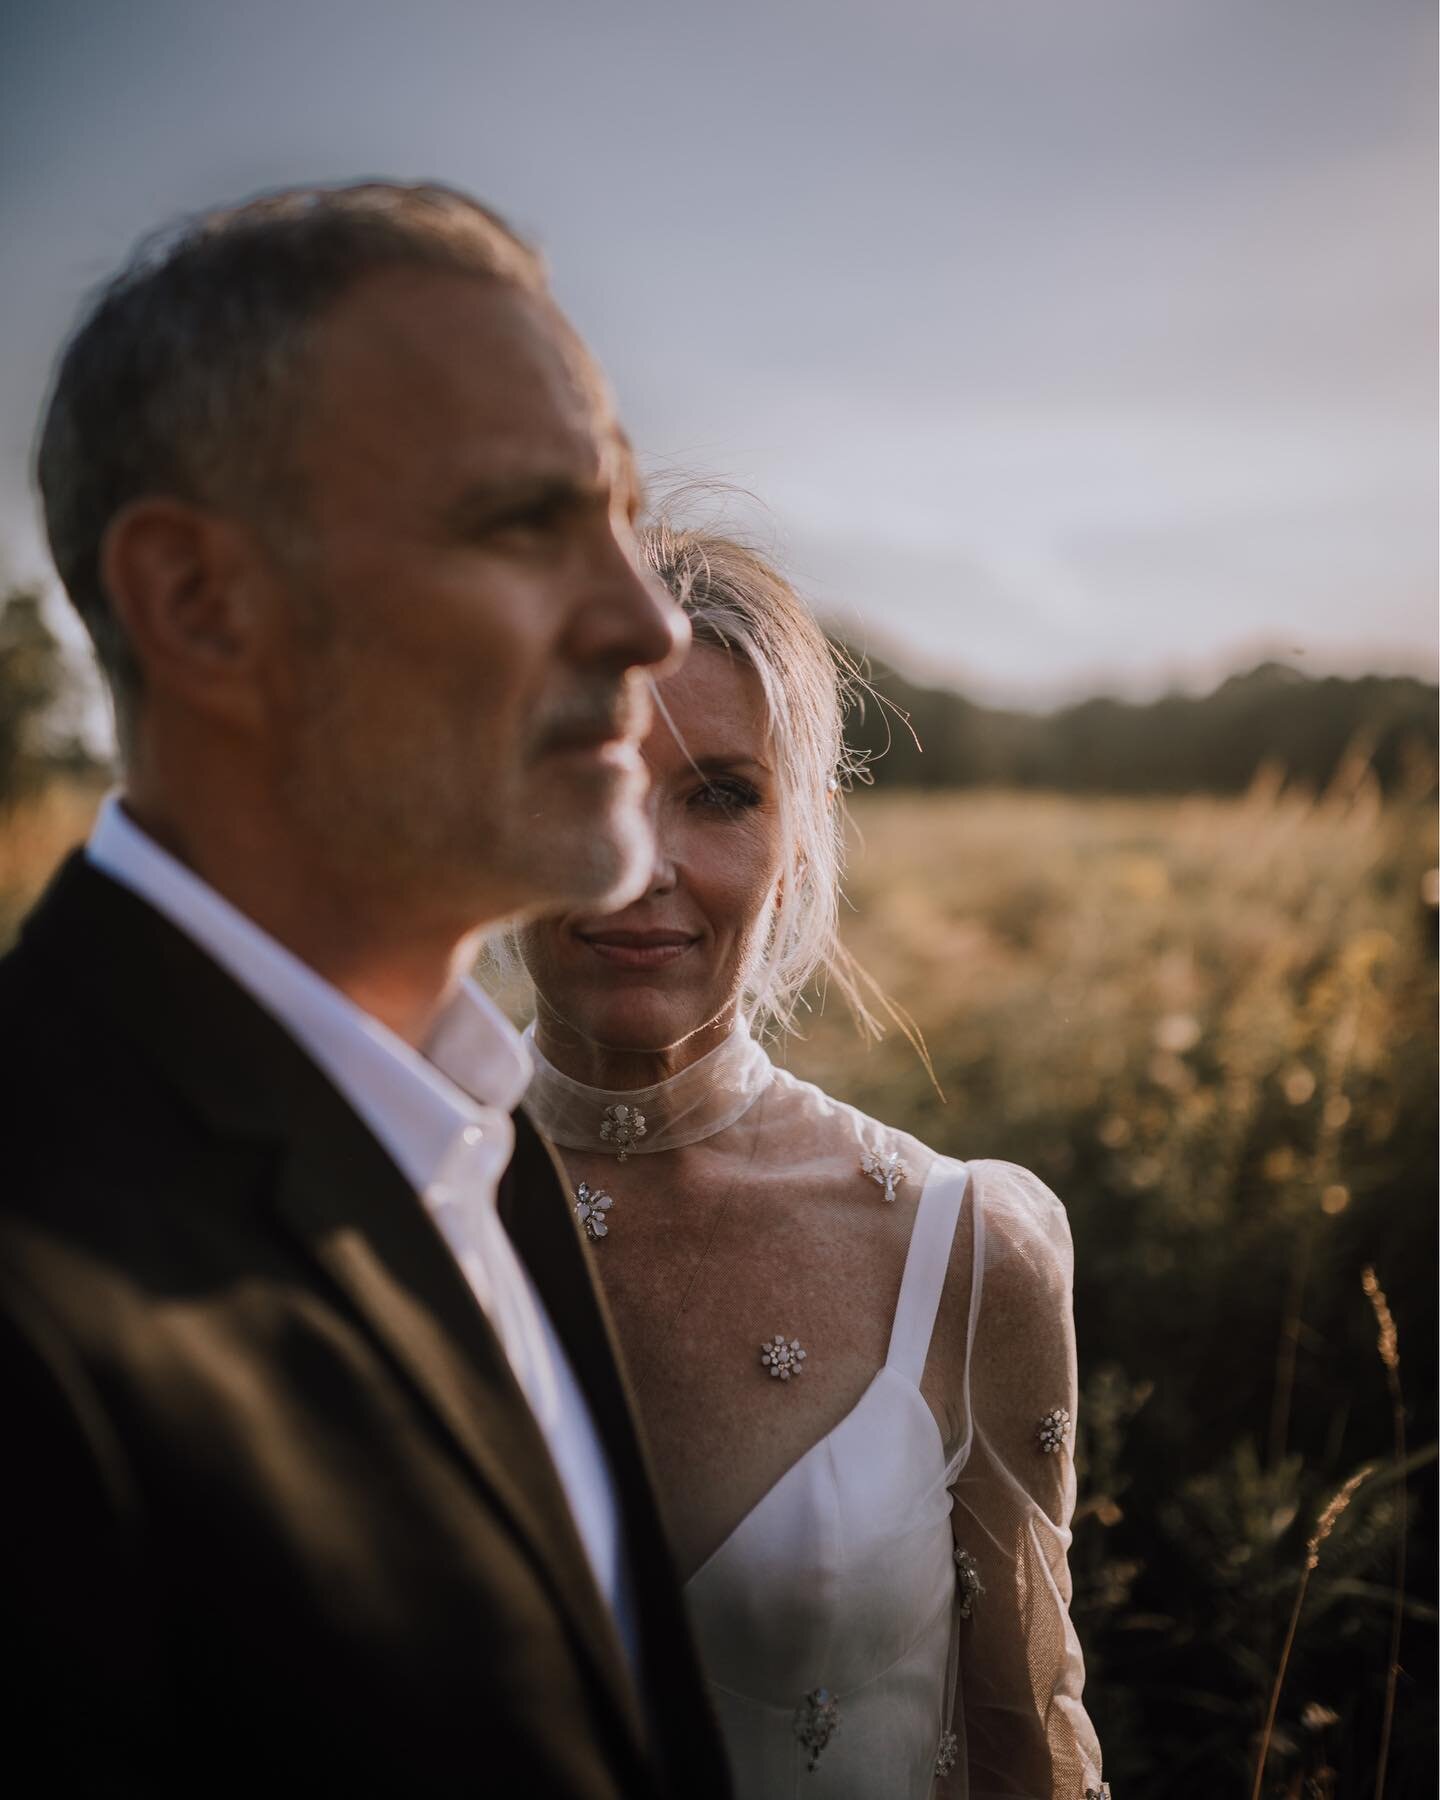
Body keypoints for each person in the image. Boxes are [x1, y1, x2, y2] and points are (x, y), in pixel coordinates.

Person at [0, 183, 732, 1799]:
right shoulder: (39, 1287)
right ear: (200, 603)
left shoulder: (477, 1130)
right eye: (519, 525)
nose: (644, 620)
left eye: (618, 518)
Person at [513, 525, 1110, 1797]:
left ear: (800, 841)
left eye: (720, 793)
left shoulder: (960, 1254)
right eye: (584, 780)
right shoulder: (341, 1198)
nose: (642, 864)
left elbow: (1023, 1752)